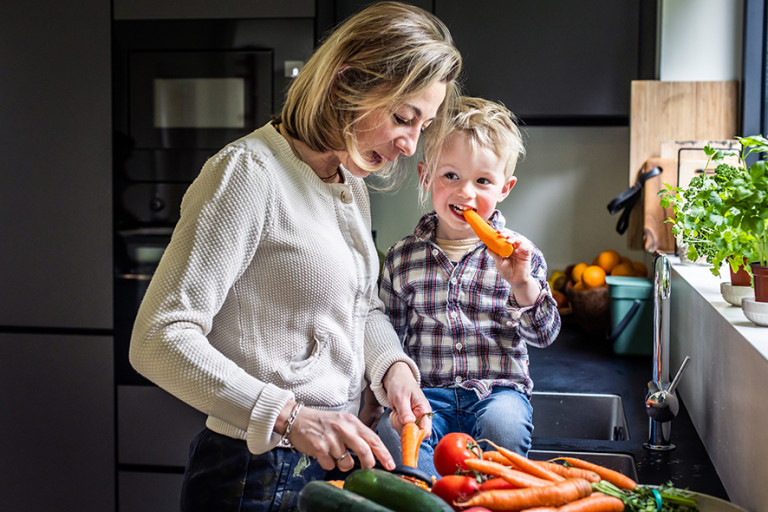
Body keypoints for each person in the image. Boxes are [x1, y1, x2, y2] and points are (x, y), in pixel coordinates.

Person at [128, 3, 462, 510]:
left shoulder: (348, 180)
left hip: (328, 464)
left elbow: (359, 304)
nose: (411, 144)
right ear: (345, 82)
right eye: (402, 117)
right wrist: (289, 416)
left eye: (423, 125)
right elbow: (157, 339)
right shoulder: (248, 175)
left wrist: (391, 368)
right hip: (255, 471)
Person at [376, 96, 561, 479]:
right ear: (426, 176)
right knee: (391, 438)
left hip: (497, 393)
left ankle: (487, 501)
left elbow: (544, 335)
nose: (465, 193)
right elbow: (386, 341)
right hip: (426, 398)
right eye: (450, 176)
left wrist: (521, 283)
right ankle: (431, 501)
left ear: (505, 187)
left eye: (482, 181)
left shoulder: (520, 257)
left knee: (504, 427)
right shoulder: (400, 259)